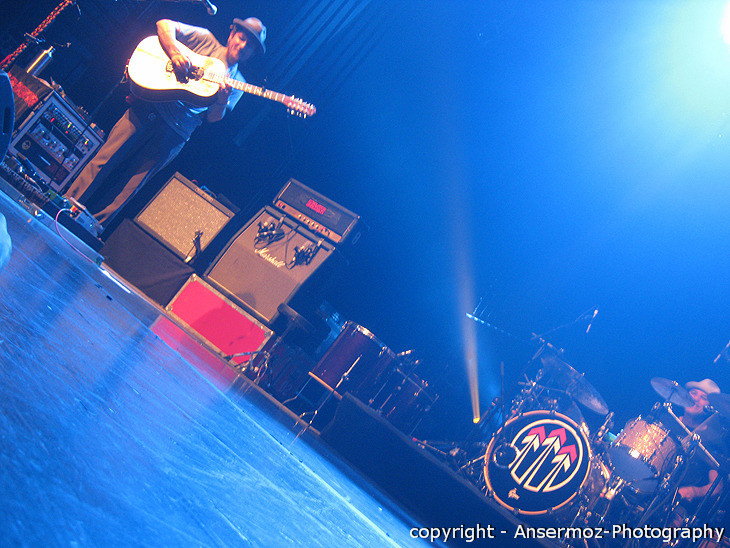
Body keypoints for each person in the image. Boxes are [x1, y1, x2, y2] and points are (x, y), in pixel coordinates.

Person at [64, 16, 266, 235]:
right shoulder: (206, 40)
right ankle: (65, 205)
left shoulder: (239, 83)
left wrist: (222, 99)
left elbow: (213, 118)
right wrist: (175, 53)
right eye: (242, 38)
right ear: (232, 34)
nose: (243, 46)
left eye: (250, 46)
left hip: (176, 132)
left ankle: (90, 227)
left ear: (254, 54)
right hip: (150, 108)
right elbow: (164, 24)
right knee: (105, 159)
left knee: (132, 186)